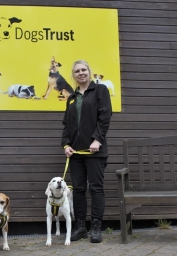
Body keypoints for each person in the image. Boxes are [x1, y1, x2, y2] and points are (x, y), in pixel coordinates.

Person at [62, 60, 112, 243]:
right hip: (76, 153)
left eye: (84, 70)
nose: (81, 73)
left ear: (89, 72)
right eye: (77, 71)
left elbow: (105, 116)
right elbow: (66, 125)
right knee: (79, 189)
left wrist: (97, 139)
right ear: (73, 75)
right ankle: (80, 227)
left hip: (95, 151)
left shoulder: (100, 90)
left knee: (96, 188)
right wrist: (66, 145)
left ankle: (96, 228)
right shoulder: (72, 97)